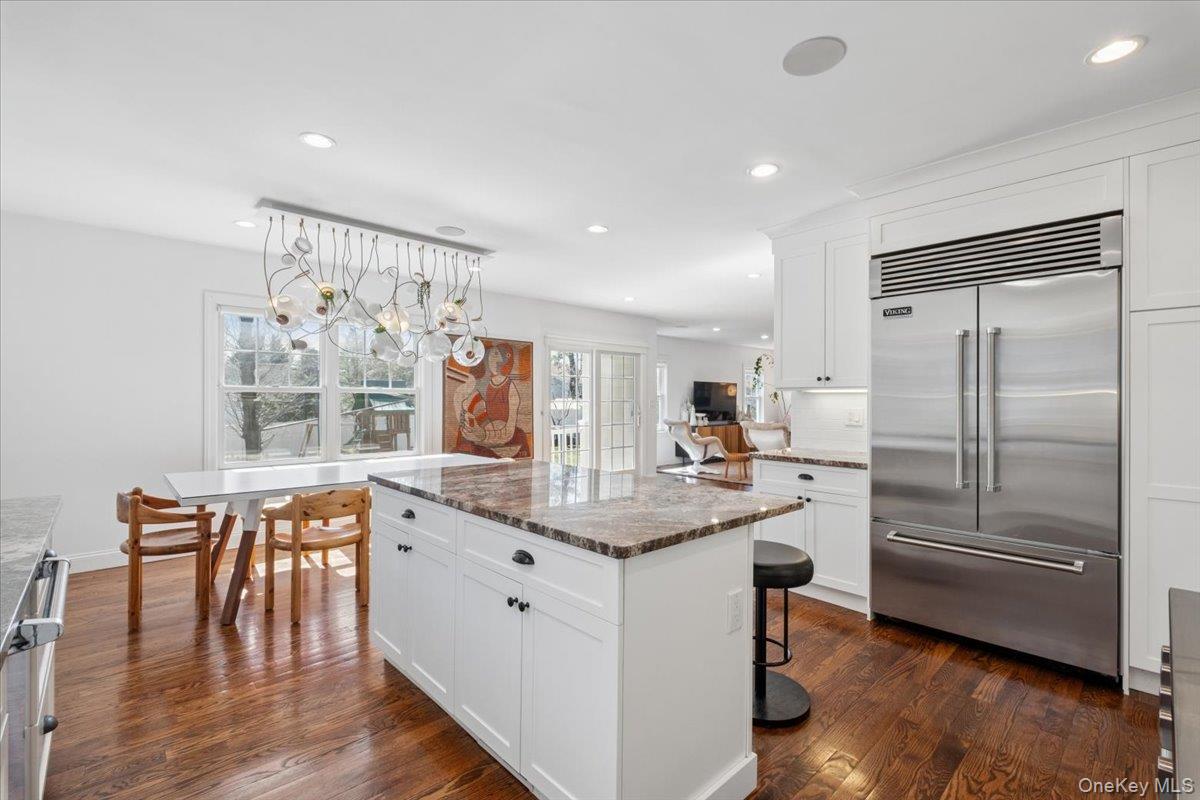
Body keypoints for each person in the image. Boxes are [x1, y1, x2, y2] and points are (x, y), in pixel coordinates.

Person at [452, 342, 530, 459]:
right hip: (482, 429)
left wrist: (484, 435)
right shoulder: (480, 385)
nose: (493, 359)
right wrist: (467, 423)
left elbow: (508, 431)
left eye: (498, 355)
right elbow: (465, 406)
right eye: (492, 354)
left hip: (502, 434)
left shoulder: (510, 388)